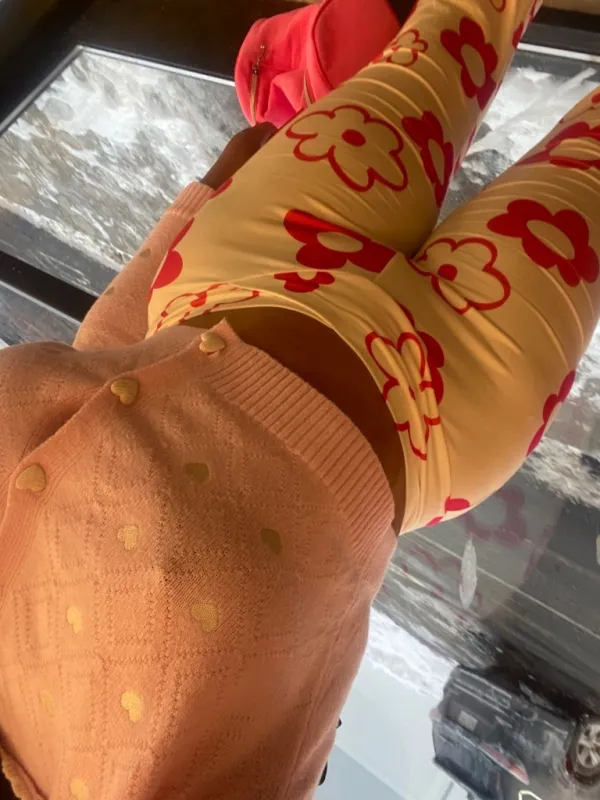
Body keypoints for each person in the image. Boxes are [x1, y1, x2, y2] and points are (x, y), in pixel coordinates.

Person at [0, 0, 598, 797]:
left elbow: (93, 367)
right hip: (445, 410)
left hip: (259, 248)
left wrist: (199, 200)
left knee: (464, 16)